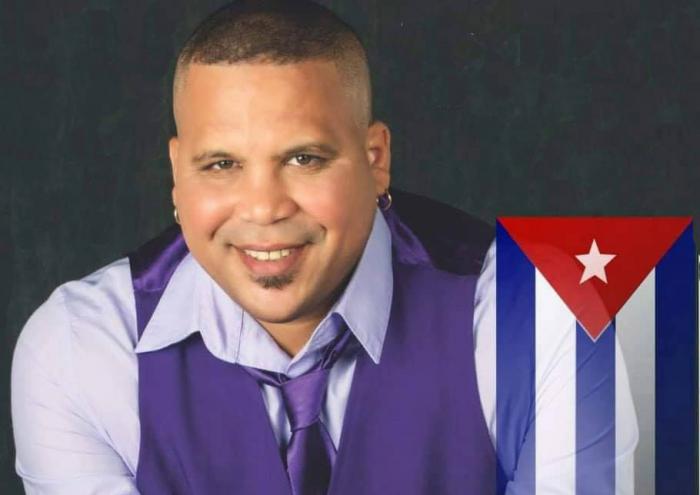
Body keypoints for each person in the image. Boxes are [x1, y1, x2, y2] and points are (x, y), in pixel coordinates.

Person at [11, 1, 636, 494]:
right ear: (177, 173)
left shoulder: (537, 317)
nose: (263, 208)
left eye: (304, 159)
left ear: (375, 159)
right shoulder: (82, 348)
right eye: (222, 164)